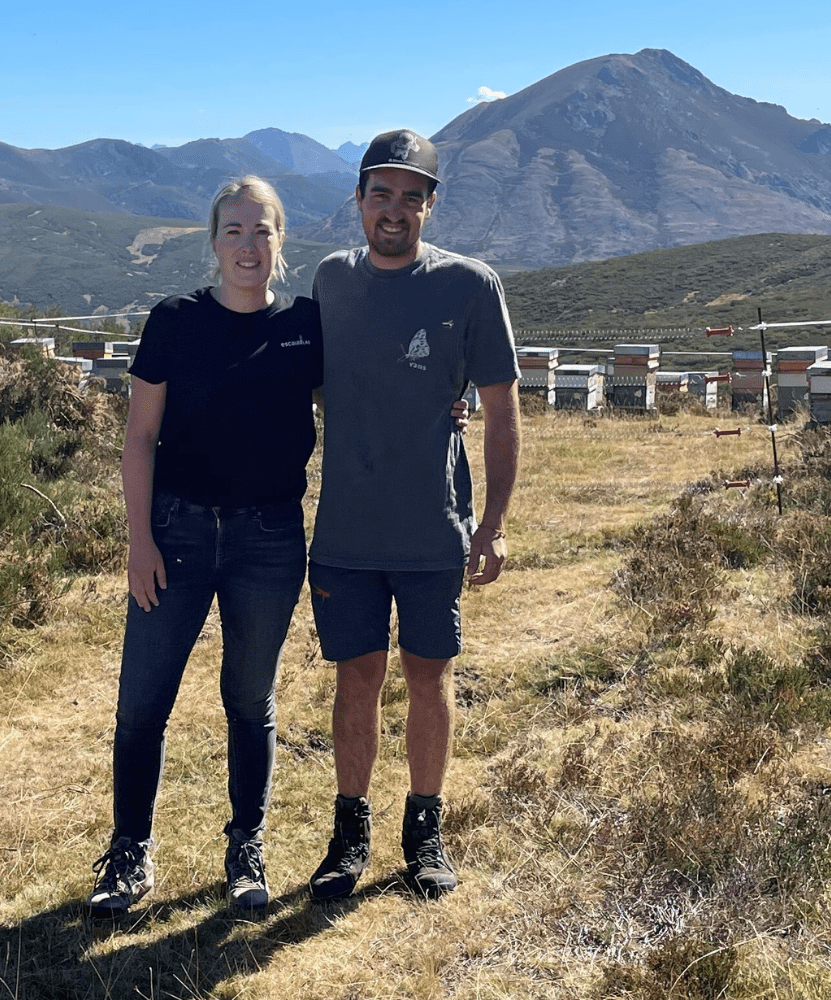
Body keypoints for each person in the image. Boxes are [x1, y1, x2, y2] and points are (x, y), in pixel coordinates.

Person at [86, 176, 322, 917]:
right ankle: (130, 854)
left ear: (281, 241)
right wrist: (139, 543)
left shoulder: (307, 326)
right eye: (234, 231)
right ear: (214, 242)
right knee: (142, 703)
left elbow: (363, 400)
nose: (248, 246)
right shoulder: (175, 321)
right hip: (177, 535)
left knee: (250, 700)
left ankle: (246, 849)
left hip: (270, 540)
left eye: (262, 230)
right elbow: (139, 439)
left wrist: (445, 401)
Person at [307, 129, 521, 900]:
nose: (393, 210)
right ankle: (349, 834)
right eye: (380, 194)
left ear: (431, 204)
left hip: (434, 526)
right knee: (356, 678)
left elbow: (502, 411)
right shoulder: (330, 279)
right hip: (345, 532)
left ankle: (425, 832)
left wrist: (493, 523)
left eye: (410, 196)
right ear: (358, 199)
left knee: (429, 677)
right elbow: (311, 382)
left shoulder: (470, 285)